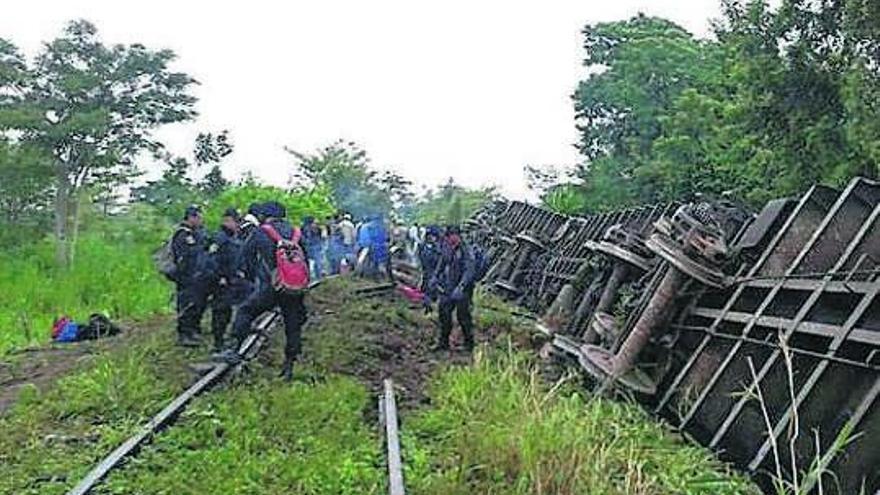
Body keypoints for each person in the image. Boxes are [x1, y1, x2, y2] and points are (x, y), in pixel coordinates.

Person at [217, 201, 308, 381]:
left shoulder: (262, 232)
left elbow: (246, 258)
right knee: (293, 324)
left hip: (271, 286)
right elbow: (306, 258)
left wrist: (252, 280)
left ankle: (233, 348)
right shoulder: (297, 233)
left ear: (264, 215)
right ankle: (288, 367)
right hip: (293, 288)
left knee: (246, 310)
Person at [207, 208, 250, 352]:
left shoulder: (234, 237)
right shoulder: (220, 237)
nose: (238, 225)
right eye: (235, 221)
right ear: (227, 221)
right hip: (222, 281)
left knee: (229, 311)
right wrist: (219, 277)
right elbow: (211, 260)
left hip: (233, 280)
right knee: (220, 312)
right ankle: (218, 343)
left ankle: (229, 338)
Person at [430, 225, 477, 351]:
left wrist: (461, 287)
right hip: (449, 285)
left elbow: (470, 270)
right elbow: (442, 261)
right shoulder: (447, 247)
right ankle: (443, 342)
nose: (448, 239)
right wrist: (435, 276)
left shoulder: (466, 249)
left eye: (450, 236)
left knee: (463, 317)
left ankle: (469, 344)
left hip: (464, 288)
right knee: (443, 313)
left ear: (456, 236)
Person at [171, 205, 212, 347]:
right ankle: (184, 334)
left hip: (197, 277)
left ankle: (193, 330)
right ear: (191, 217)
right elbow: (183, 258)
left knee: (197, 304)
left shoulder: (197, 233)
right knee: (186, 305)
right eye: (199, 218)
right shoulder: (182, 234)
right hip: (186, 278)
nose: (201, 221)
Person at [418, 225, 443, 312]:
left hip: (435, 273)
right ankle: (428, 308)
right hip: (428, 272)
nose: (431, 237)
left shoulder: (438, 247)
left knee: (434, 291)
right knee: (427, 290)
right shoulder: (423, 246)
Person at [302, 216, 324, 280]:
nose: (316, 224)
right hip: (313, 247)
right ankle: (318, 277)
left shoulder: (304, 228)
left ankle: (311, 278)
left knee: (311, 263)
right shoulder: (309, 229)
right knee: (317, 263)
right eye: (314, 222)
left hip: (310, 247)